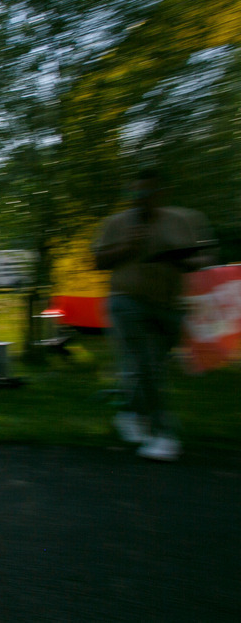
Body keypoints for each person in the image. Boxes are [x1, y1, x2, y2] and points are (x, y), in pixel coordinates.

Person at [93, 168, 215, 462]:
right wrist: (127, 247)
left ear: (161, 194)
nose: (139, 199)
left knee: (146, 367)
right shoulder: (116, 223)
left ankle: (130, 412)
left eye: (146, 194)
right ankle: (164, 435)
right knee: (148, 365)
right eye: (134, 194)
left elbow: (208, 256)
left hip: (169, 305)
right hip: (127, 302)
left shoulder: (185, 220)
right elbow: (97, 261)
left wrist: (188, 261)